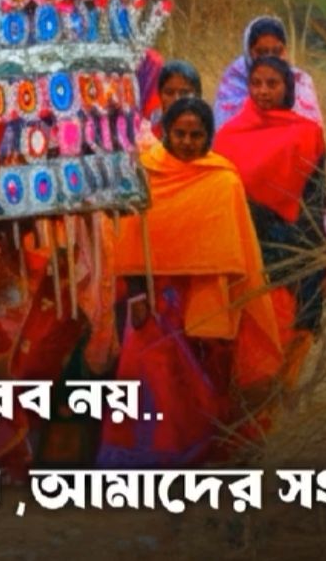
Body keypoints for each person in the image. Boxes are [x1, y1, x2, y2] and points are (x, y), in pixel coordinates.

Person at [98, 94, 282, 466]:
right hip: (150, 300)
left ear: (208, 136)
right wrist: (135, 296)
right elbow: (130, 237)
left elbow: (236, 249)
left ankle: (191, 458)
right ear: (166, 132)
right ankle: (139, 461)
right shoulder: (145, 173)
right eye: (179, 133)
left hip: (201, 301)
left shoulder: (222, 179)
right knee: (146, 376)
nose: (186, 142)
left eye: (195, 135)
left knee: (196, 384)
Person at [213, 56, 326, 391]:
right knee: (252, 361)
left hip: (298, 258)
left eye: (272, 84)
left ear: (288, 87)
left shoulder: (308, 135)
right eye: (256, 83)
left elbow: (317, 202)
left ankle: (273, 431)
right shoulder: (227, 138)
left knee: (292, 347)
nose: (264, 91)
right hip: (248, 259)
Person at [215, 14, 326, 262]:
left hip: (297, 238)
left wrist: (324, 252)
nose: (263, 91)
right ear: (249, 53)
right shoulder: (231, 104)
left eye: (277, 50)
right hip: (246, 236)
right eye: (261, 51)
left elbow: (316, 193)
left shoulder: (302, 88)